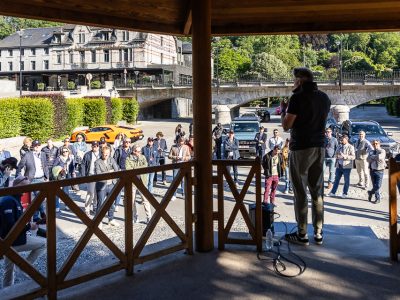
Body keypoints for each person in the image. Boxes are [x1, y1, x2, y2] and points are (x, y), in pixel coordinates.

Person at [282, 67, 331, 246]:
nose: (293, 83)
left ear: (300, 80)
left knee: (300, 191)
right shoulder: (324, 97)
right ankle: (319, 232)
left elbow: (287, 125)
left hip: (301, 147)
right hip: (320, 147)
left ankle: (302, 233)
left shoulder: (297, 98)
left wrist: (284, 109)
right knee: (317, 191)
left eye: (294, 79)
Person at [0, 176, 46, 288]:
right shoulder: (10, 200)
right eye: (26, 184)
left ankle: (7, 293)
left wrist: (31, 225)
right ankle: (24, 266)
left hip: (7, 240)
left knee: (9, 270)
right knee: (43, 244)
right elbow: (12, 227)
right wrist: (29, 226)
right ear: (17, 185)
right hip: (11, 240)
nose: (28, 187)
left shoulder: (12, 199)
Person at [16, 140, 49, 223]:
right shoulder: (27, 155)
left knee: (40, 199)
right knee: (37, 198)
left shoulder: (43, 154)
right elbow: (19, 166)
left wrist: (47, 177)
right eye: (35, 146)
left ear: (40, 146)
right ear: (33, 147)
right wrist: (19, 177)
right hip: (31, 179)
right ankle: (41, 213)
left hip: (41, 178)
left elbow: (45, 166)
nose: (37, 147)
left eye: (38, 146)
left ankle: (36, 216)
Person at [94, 146, 119, 228]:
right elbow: (98, 174)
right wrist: (109, 172)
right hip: (102, 185)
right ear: (101, 153)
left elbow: (116, 170)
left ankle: (111, 219)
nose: (106, 156)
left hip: (111, 184)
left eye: (107, 154)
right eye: (104, 154)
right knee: (100, 204)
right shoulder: (97, 162)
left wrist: (108, 172)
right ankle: (98, 221)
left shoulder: (111, 159)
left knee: (111, 203)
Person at [126, 145, 152, 224]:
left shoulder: (142, 157)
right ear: (133, 151)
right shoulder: (128, 158)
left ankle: (149, 217)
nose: (139, 153)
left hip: (142, 182)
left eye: (140, 151)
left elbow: (145, 166)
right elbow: (128, 169)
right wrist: (138, 168)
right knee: (132, 201)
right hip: (133, 183)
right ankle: (135, 217)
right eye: (138, 151)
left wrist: (135, 168)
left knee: (145, 200)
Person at [53, 146, 76, 213]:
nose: (65, 152)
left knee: (66, 192)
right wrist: (60, 169)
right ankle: (57, 206)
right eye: (63, 151)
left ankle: (67, 205)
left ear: (68, 151)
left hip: (67, 175)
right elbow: (54, 167)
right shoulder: (59, 158)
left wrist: (73, 175)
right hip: (60, 176)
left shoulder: (71, 158)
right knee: (58, 192)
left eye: (66, 151)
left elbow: (73, 168)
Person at [168, 136, 191, 201]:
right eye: (180, 141)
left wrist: (184, 158)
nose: (181, 143)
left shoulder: (186, 147)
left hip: (183, 165)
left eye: (183, 142)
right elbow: (169, 156)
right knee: (175, 180)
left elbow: (189, 157)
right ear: (178, 141)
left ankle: (183, 194)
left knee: (183, 181)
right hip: (176, 165)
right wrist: (175, 157)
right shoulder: (173, 147)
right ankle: (174, 195)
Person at [81, 141, 101, 216]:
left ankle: (95, 208)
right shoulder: (87, 154)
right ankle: (87, 208)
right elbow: (83, 165)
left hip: (99, 176)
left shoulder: (101, 154)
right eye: (93, 146)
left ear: (98, 146)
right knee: (90, 193)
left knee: (97, 193)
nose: (94, 147)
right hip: (91, 175)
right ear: (91, 146)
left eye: (96, 146)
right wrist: (83, 175)